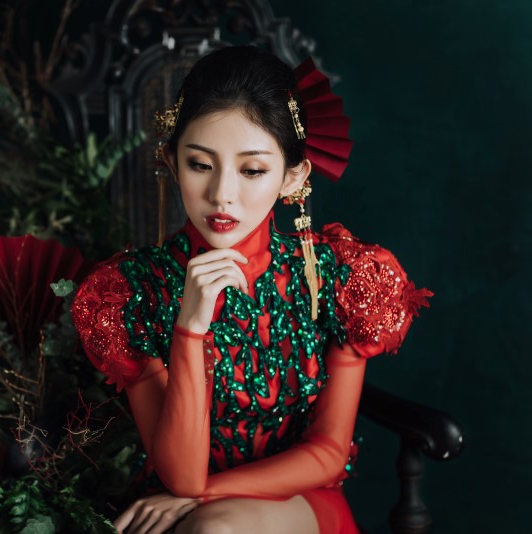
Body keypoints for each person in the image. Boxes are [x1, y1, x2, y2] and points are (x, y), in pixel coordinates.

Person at [71, 46, 431, 534]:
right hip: (174, 499)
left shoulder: (340, 278)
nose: (222, 193)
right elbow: (181, 472)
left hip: (295, 501)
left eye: (252, 170)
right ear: (171, 162)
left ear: (293, 177)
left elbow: (328, 452)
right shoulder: (131, 291)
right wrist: (190, 327)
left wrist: (198, 499)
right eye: (200, 164)